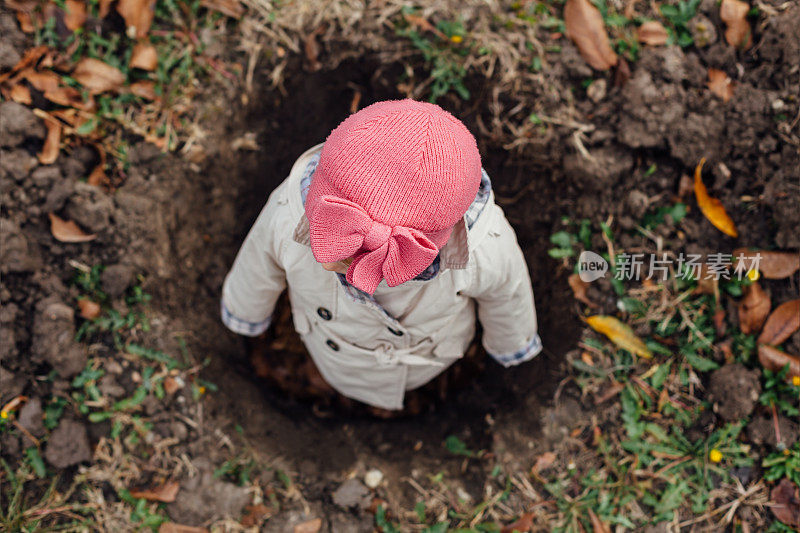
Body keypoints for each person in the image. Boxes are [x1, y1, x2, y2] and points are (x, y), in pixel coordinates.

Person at [221, 99, 541, 411]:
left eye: (350, 253)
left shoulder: (483, 250)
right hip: (327, 349)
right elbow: (257, 267)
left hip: (430, 360)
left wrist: (510, 345)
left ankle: (421, 402)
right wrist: (247, 316)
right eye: (327, 232)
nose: (327, 256)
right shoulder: (287, 214)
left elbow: (508, 296)